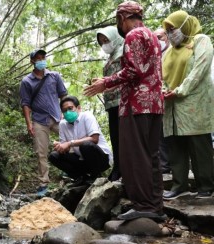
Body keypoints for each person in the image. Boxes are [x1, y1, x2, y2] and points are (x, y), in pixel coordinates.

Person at [84, 1, 167, 221]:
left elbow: (133, 71)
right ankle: (155, 205)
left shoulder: (132, 36)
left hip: (137, 105)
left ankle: (143, 205)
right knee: (152, 154)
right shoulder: (153, 36)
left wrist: (106, 82)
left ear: (122, 18)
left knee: (135, 156)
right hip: (155, 103)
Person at [161, 11, 214, 199]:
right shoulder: (168, 52)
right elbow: (162, 77)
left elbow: (200, 69)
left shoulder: (201, 40)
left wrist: (180, 90)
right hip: (172, 104)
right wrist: (163, 90)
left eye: (172, 28)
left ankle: (206, 185)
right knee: (175, 145)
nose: (170, 33)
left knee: (199, 144)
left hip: (194, 101)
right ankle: (179, 185)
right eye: (167, 30)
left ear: (184, 25)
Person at [20, 49, 68, 197]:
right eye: (38, 58)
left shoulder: (54, 76)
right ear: (32, 61)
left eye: (43, 57)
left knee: (72, 142)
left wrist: (66, 115)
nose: (41, 60)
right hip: (39, 121)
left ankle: (73, 174)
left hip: (57, 118)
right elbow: (26, 104)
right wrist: (29, 124)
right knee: (41, 152)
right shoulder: (27, 81)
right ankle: (43, 184)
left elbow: (64, 96)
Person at [48, 96, 112, 186]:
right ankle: (80, 177)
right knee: (54, 156)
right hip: (82, 159)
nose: (67, 112)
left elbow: (94, 139)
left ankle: (95, 176)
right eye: (64, 111)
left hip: (101, 159)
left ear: (78, 108)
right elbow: (65, 148)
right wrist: (60, 146)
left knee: (86, 145)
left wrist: (69, 143)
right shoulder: (63, 124)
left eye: (70, 108)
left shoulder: (87, 116)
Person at [96, 26, 124, 181]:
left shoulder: (124, 51)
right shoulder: (110, 58)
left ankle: (125, 169)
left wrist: (106, 84)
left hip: (123, 101)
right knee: (115, 137)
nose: (105, 44)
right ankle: (117, 168)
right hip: (111, 104)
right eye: (101, 42)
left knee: (124, 138)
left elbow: (127, 76)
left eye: (106, 40)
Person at [153, 28, 172, 174]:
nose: (158, 40)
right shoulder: (154, 55)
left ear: (167, 36)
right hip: (159, 99)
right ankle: (164, 166)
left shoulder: (173, 52)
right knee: (160, 132)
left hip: (175, 96)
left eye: (159, 36)